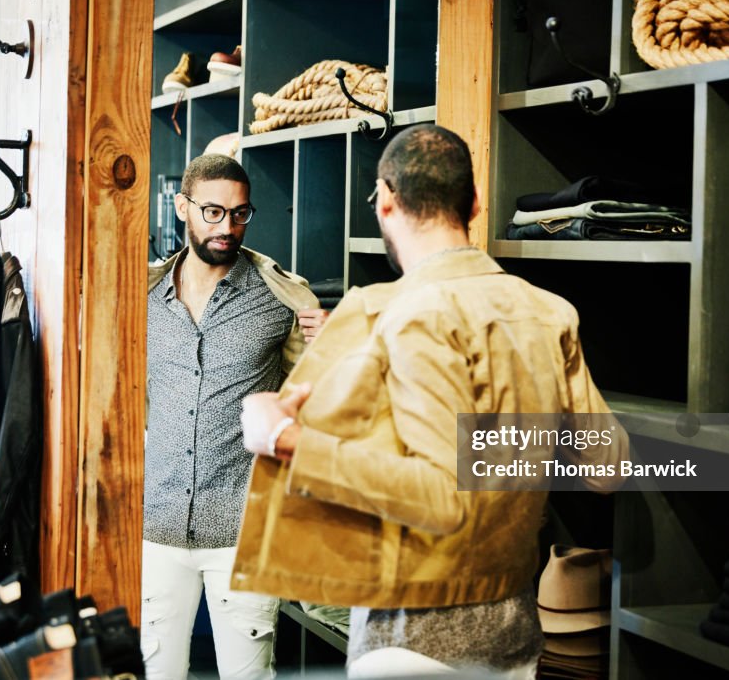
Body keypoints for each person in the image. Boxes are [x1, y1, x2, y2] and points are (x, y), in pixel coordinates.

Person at [233, 125, 631, 678]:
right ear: (472, 203)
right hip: (514, 635)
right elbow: (608, 468)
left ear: (387, 201)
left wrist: (283, 436)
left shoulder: (406, 313)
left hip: (413, 640)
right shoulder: (549, 311)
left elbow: (440, 493)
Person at [142, 153, 327, 680]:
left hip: (246, 531)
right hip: (156, 523)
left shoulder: (280, 299)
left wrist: (333, 347)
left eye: (241, 214)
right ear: (183, 208)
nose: (228, 227)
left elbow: (313, 403)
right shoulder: (143, 295)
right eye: (214, 212)